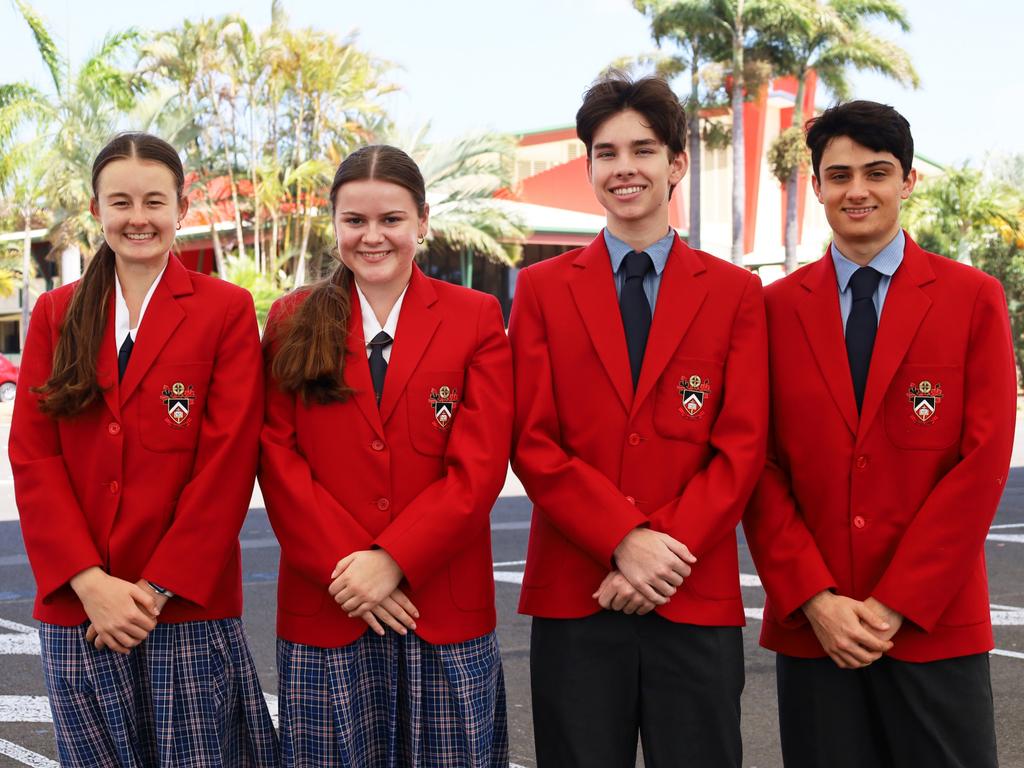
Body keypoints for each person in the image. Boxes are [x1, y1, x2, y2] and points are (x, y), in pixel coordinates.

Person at [744, 100, 1015, 767]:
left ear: (908, 181)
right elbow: (758, 463)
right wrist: (815, 599)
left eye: (877, 171)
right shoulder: (773, 310)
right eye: (838, 175)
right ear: (816, 187)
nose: (857, 190)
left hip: (933, 624)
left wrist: (896, 603)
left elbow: (980, 465)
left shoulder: (972, 298)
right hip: (817, 629)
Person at [509, 72, 768, 768]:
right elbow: (531, 440)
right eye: (606, 152)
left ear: (677, 163)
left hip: (691, 590)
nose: (625, 168)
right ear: (590, 165)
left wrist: (663, 549)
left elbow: (742, 445)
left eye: (644, 150)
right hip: (577, 590)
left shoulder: (737, 293)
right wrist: (622, 538)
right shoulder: (540, 290)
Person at [10, 132, 278, 766]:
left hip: (184, 605)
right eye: (121, 202)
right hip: (83, 608)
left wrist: (155, 588)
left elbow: (229, 461)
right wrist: (89, 582)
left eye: (155, 201)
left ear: (181, 208)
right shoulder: (55, 312)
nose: (138, 218)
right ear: (96, 208)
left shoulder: (225, 309)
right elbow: (33, 458)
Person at [260, 144, 512, 768]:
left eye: (391, 220)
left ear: (422, 222)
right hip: (330, 604)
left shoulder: (475, 317)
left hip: (441, 607)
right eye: (355, 221)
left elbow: (478, 469)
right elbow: (277, 459)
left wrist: (394, 560)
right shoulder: (293, 319)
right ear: (335, 224)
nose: (373, 237)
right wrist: (353, 571)